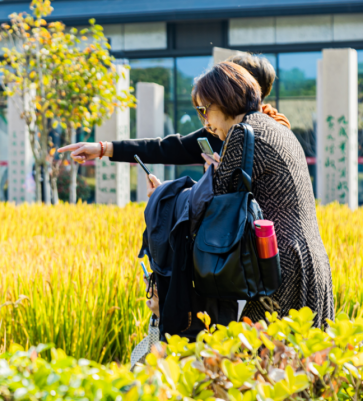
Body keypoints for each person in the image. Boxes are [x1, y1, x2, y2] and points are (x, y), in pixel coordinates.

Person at [187, 61, 333, 327]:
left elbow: (216, 207)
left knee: (258, 357)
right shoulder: (276, 128)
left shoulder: (243, 134)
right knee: (304, 359)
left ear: (224, 99)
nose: (205, 122)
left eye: (204, 110)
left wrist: (211, 174)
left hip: (281, 265)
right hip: (310, 259)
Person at [58, 53, 289, 171]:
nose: (206, 119)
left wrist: (220, 176)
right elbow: (166, 148)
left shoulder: (267, 134)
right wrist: (102, 149)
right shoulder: (222, 128)